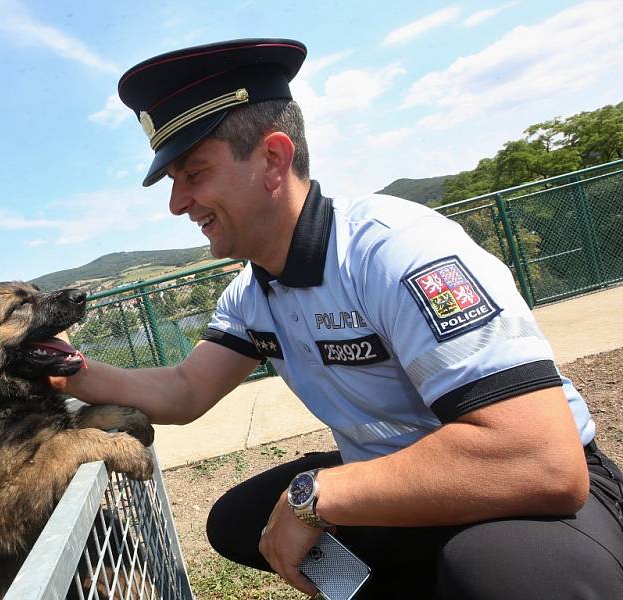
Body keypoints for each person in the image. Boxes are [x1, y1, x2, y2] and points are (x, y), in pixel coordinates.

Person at [52, 38, 623, 598]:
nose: (177, 203)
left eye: (193, 173)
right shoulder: (254, 294)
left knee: (503, 570)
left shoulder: (395, 252)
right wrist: (68, 368)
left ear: (274, 158)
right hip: (405, 483)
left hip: (533, 492)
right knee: (236, 521)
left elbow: (542, 461)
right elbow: (183, 389)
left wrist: (319, 493)